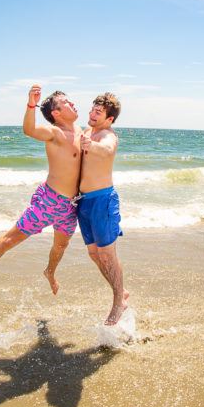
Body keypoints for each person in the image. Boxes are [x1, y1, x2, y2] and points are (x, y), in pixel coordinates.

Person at [0, 85, 82, 296]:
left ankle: (50, 272)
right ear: (56, 113)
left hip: (71, 206)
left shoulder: (82, 132)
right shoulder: (55, 132)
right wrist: (31, 105)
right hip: (50, 201)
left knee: (60, 247)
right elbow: (29, 130)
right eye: (66, 103)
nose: (72, 103)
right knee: (11, 239)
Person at [78, 93, 128, 326]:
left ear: (109, 119)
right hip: (84, 202)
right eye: (92, 110)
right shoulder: (86, 132)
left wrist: (92, 146)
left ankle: (118, 301)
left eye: (98, 112)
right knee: (94, 254)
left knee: (107, 254)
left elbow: (107, 150)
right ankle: (121, 292)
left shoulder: (109, 135)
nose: (92, 114)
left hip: (103, 201)